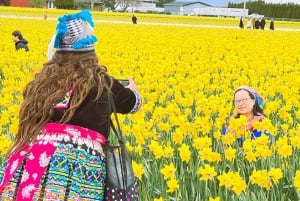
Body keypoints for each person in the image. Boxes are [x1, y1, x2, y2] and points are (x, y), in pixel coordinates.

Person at [0, 9, 142, 201]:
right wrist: (132, 89)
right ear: (90, 51)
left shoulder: (41, 82)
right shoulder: (101, 82)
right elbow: (133, 104)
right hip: (79, 170)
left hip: (31, 161)